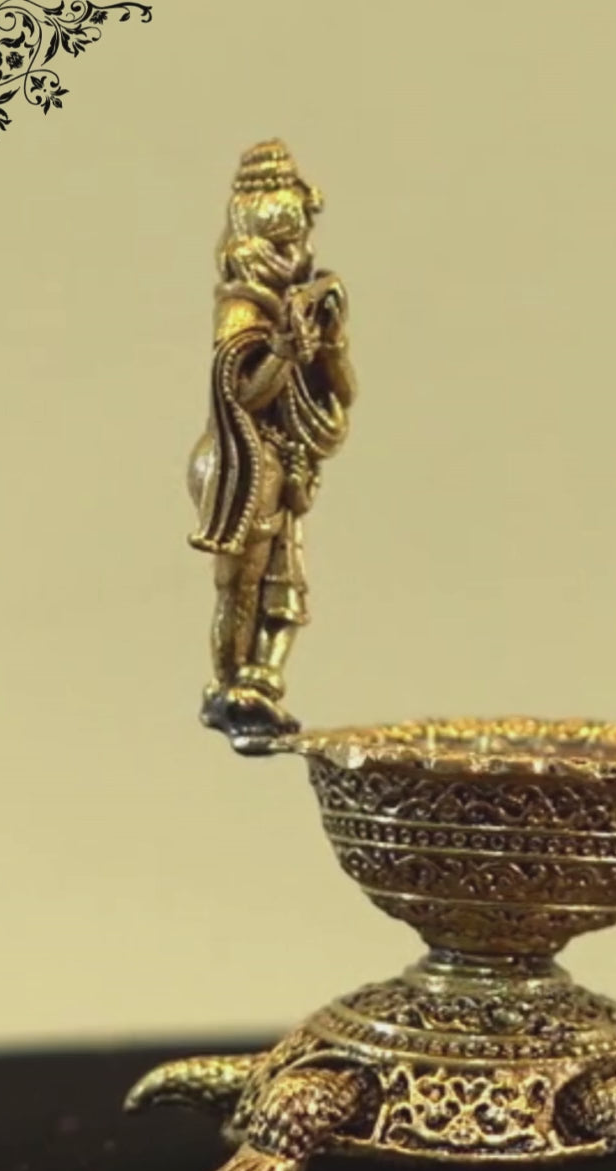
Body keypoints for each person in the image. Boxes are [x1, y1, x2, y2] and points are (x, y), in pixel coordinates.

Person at [187, 139, 356, 740]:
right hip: (246, 458)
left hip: (288, 460)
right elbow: (244, 391)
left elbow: (342, 391)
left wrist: (328, 342)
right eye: (284, 244)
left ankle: (260, 683)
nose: (297, 253)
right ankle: (231, 684)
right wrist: (284, 351)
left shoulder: (304, 301)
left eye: (300, 240)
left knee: (282, 587)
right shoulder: (242, 307)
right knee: (241, 582)